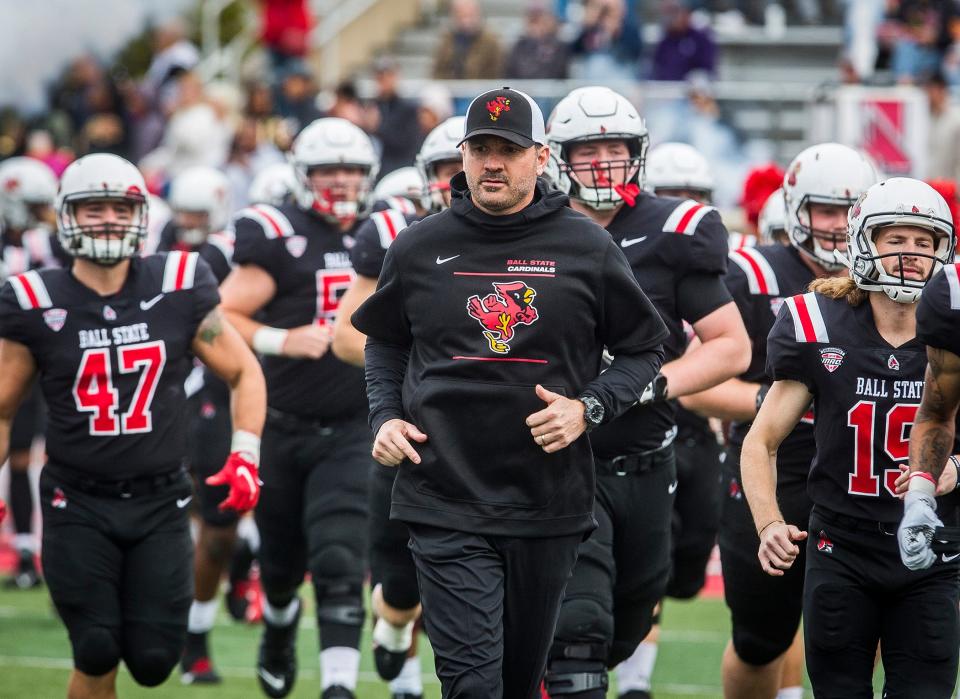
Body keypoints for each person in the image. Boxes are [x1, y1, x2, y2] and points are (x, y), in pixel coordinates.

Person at [351, 87, 668, 699]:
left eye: (509, 149)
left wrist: (588, 408)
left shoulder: (587, 247)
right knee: (473, 688)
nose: (492, 162)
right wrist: (384, 417)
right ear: (464, 157)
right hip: (443, 494)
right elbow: (383, 343)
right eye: (480, 149)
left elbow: (642, 350)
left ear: (540, 158)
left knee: (520, 684)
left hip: (548, 500)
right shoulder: (419, 245)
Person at [0, 153, 266, 699]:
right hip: (76, 499)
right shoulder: (33, 299)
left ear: (140, 214)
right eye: (91, 208)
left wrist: (245, 453)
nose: (106, 219)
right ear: (66, 216)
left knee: (151, 660)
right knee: (96, 648)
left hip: (161, 499)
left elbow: (243, 371)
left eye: (119, 207)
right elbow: (2, 407)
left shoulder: (178, 281)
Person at [542, 87, 749, 698]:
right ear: (559, 157)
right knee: (580, 626)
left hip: (647, 458)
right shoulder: (530, 230)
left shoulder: (673, 229)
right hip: (561, 462)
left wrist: (654, 385)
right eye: (589, 149)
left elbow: (730, 346)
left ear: (638, 153)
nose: (604, 161)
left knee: (633, 617)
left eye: (616, 147)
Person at [742, 177, 959, 697]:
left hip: (933, 549)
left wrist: (954, 468)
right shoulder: (818, 323)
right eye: (896, 239)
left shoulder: (954, 326)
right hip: (842, 546)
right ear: (864, 243)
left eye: (924, 242)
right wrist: (769, 522)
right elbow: (761, 441)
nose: (911, 254)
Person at [680, 143, 878, 699]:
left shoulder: (888, 280)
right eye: (826, 211)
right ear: (794, 208)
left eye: (851, 210)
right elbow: (699, 388)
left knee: (870, 623)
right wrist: (796, 403)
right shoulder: (753, 272)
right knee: (762, 634)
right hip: (772, 463)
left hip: (861, 467)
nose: (840, 227)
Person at [220, 117, 380, 699]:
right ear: (301, 175)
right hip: (282, 424)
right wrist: (280, 339)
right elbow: (219, 317)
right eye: (328, 170)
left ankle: (338, 686)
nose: (340, 181)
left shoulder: (385, 231)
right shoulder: (278, 233)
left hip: (353, 425)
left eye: (351, 170)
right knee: (283, 567)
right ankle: (279, 632)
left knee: (341, 557)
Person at [331, 115, 465, 699]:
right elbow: (344, 335)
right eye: (448, 169)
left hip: (501, 439)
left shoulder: (542, 238)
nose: (463, 180)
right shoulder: (395, 233)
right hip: (413, 431)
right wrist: (425, 374)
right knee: (400, 578)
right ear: (426, 178)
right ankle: (391, 620)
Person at [615, 139, 738, 699]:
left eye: (695, 197)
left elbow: (738, 345)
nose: (684, 206)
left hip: (697, 426)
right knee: (638, 565)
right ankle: (634, 681)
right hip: (640, 425)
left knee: (684, 572)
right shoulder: (620, 250)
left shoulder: (715, 261)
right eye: (674, 194)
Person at [155, 165, 247, 684]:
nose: (188, 223)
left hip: (218, 388)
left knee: (224, 525)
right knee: (187, 516)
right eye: (182, 212)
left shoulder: (230, 249)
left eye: (198, 213)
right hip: (169, 391)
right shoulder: (156, 247)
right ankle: (192, 636)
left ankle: (238, 580)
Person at [0, 157, 63, 589]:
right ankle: (24, 547)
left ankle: (40, 550)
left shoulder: (50, 245)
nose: (45, 214)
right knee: (16, 455)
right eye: (37, 206)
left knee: (46, 455)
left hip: (48, 358)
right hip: (10, 358)